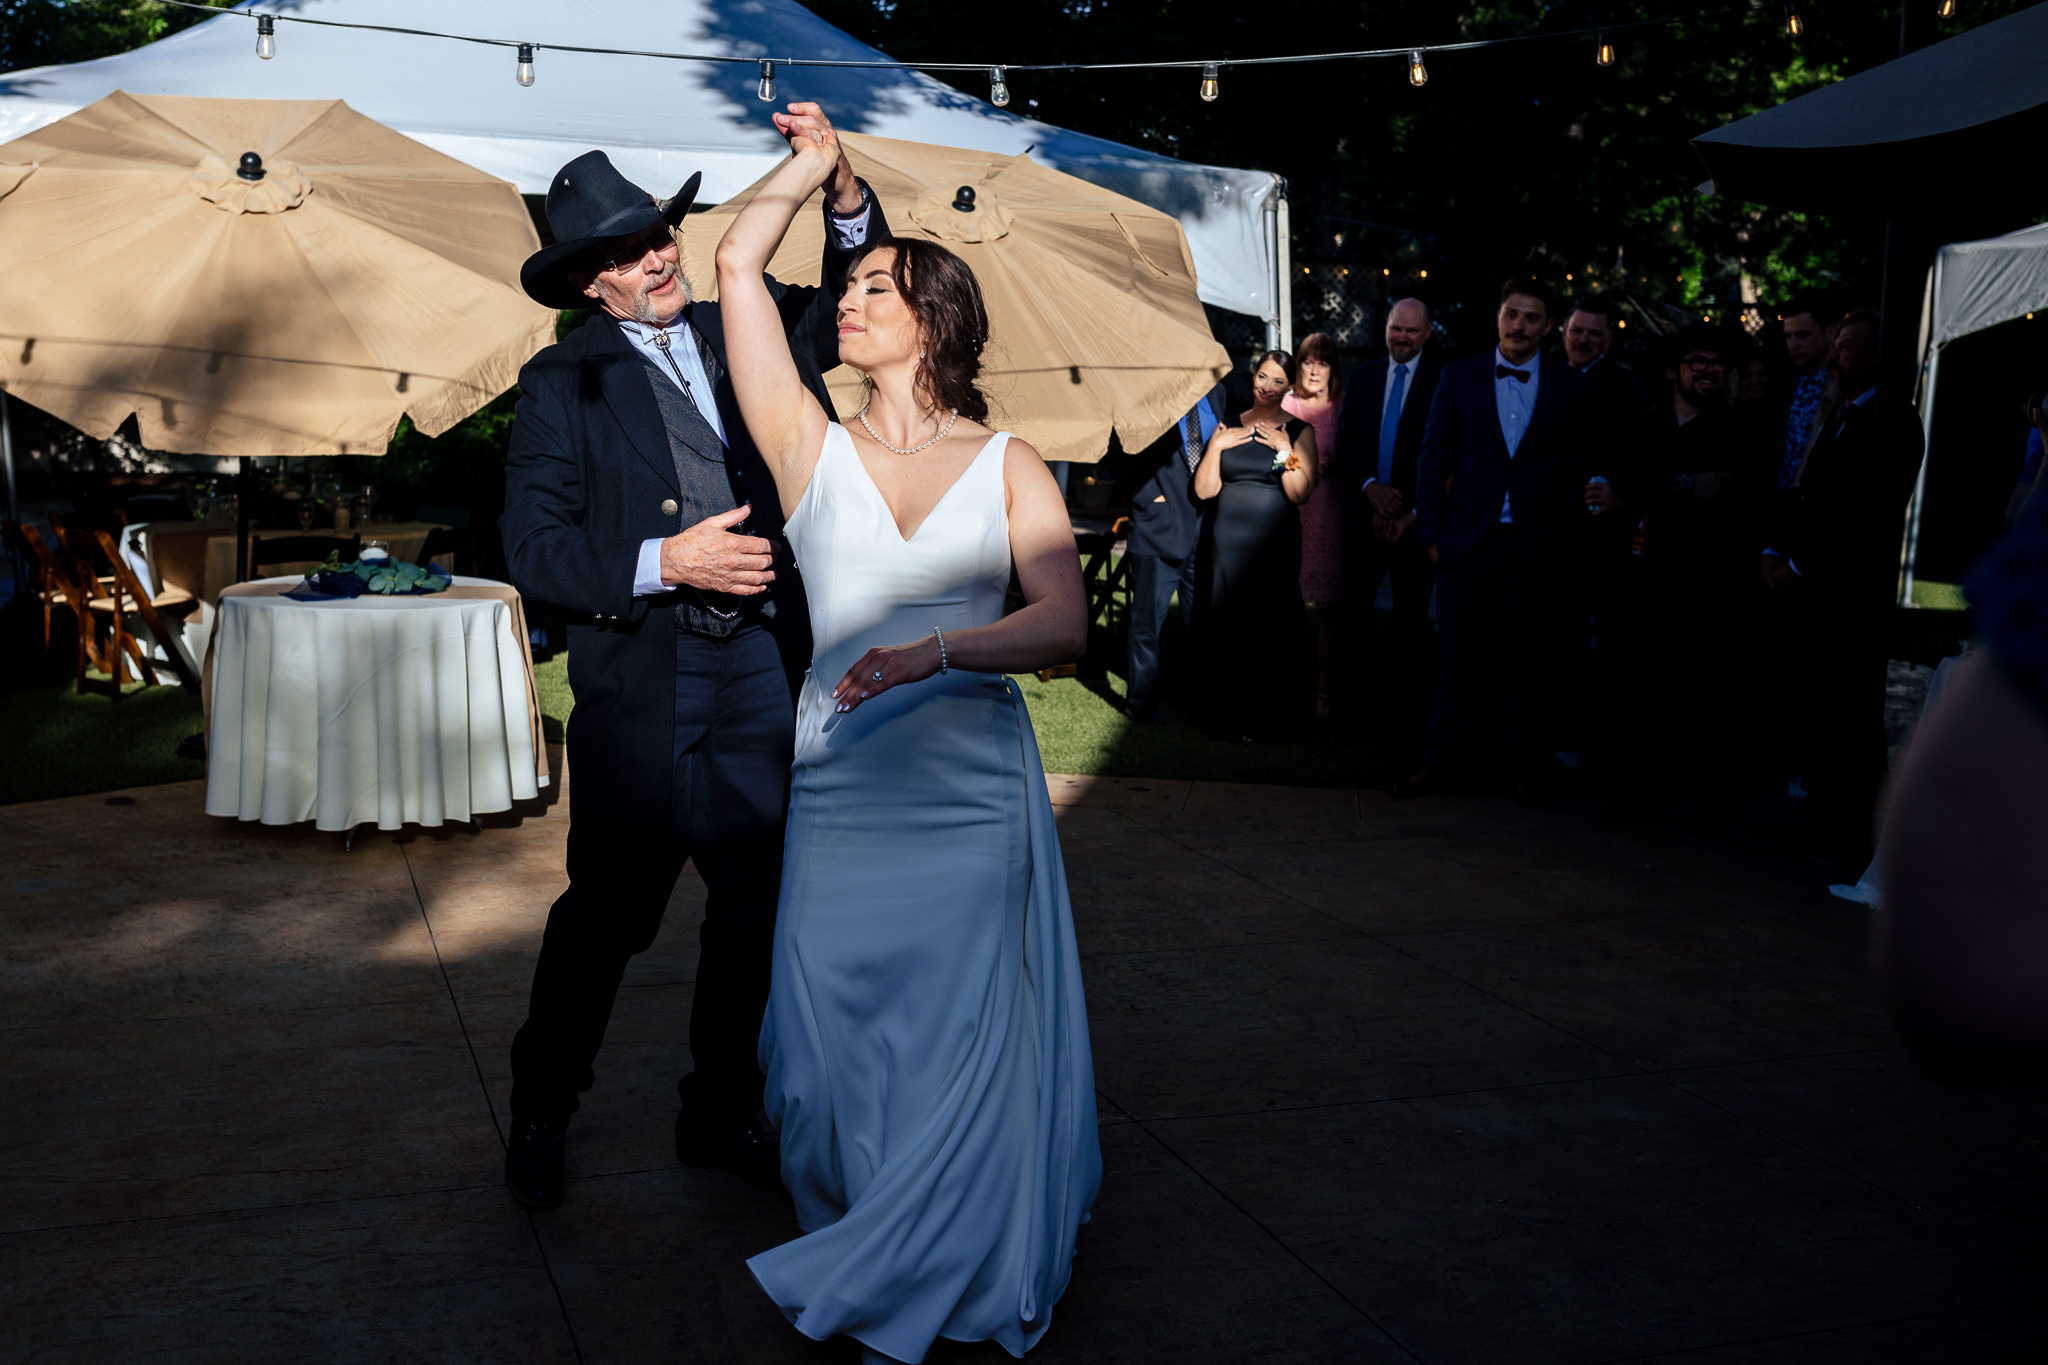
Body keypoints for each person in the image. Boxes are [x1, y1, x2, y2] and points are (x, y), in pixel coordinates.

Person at [714, 112, 1099, 1364]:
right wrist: (816, 171)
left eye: (874, 288)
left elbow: (1062, 623)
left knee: (955, 1031)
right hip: (844, 793)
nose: (848, 303)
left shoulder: (1008, 463)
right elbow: (733, 261)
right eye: (848, 288)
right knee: (829, 1051)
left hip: (965, 793)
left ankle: (952, 1245)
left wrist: (933, 651)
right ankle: (867, 1218)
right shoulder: (803, 450)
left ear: (931, 317)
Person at [496, 107, 891, 1210]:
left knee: (756, 904)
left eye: (658, 231)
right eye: (625, 250)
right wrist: (662, 561)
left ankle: (718, 1110)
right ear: (591, 283)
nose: (656, 254)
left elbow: (859, 297)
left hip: (761, 665)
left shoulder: (742, 323)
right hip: (643, 683)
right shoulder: (558, 384)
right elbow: (533, 550)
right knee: (610, 914)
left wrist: (841, 189)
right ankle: (542, 1108)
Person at [1397, 278, 1596, 803]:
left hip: (1534, 547)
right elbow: (1431, 457)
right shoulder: (1459, 377)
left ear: (1548, 327)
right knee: (1456, 662)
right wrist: (1434, 538)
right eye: (1512, 314)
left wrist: (1562, 537)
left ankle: (1522, 773)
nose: (1519, 326)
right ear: (1499, 316)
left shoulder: (1569, 385)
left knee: (1525, 665)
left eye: (1532, 318)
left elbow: (1575, 469)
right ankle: (1436, 765)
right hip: (1466, 544)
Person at [1762, 309, 1925, 876]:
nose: (1834, 357)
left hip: (1846, 594)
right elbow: (1812, 495)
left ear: (1875, 357)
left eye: (1846, 348)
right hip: (1817, 589)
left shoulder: (1890, 421)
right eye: (1835, 347)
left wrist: (1799, 567)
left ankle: (1858, 831)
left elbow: (1860, 514)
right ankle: (1825, 811)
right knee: (1819, 709)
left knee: (1850, 716)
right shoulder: (1845, 413)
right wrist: (1774, 550)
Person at [1635, 325, 1769, 814]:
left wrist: (1670, 488)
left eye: (1717, 363)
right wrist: (1687, 485)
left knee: (1711, 690)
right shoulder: (1649, 424)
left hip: (1716, 581)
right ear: (1674, 370)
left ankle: (1710, 798)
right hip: (1654, 575)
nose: (1710, 370)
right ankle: (1649, 787)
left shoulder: (1740, 430)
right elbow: (1635, 483)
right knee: (1651, 683)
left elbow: (1738, 496)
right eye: (1698, 361)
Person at [1335, 297, 1441, 764]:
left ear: (1428, 333)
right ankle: (1348, 718)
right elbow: (1348, 440)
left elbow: (1443, 454)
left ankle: (1405, 723)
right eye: (1396, 329)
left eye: (1411, 332)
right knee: (1352, 621)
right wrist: (1370, 490)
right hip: (1363, 515)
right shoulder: (1365, 375)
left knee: (1411, 628)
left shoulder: (1444, 379)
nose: (1402, 338)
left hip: (1414, 524)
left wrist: (1407, 512)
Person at [1194, 349, 1318, 740]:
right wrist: (1217, 447)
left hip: (1273, 546)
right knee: (1227, 625)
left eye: (1278, 381)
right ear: (1254, 376)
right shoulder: (1228, 426)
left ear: (1290, 387)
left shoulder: (1298, 432)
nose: (1267, 387)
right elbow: (1204, 490)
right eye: (1263, 377)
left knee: (1270, 625)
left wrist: (1283, 451)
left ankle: (1269, 717)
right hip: (1226, 546)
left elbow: (1299, 492)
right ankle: (1226, 715)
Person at [1122, 381, 1227, 724]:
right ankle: (1141, 704)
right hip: (1160, 527)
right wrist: (1148, 496)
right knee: (1147, 623)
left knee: (1202, 621)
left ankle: (1198, 699)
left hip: (1208, 527)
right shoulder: (1146, 394)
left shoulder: (1218, 393)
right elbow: (1117, 449)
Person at [1285, 331, 1344, 719]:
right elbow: (1270, 460)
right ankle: (1289, 686)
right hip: (1293, 516)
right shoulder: (1287, 404)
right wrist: (1299, 464)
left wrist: (1335, 464)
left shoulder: (1342, 407)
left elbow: (1359, 453)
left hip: (1333, 515)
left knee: (1329, 611)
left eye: (1322, 363)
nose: (1314, 370)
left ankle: (1324, 693)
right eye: (1308, 361)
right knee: (1289, 607)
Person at [1775, 300, 1834, 490]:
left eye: (1802, 335)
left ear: (1829, 333)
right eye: (1788, 336)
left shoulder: (1842, 384)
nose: (1793, 344)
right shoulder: (1785, 379)